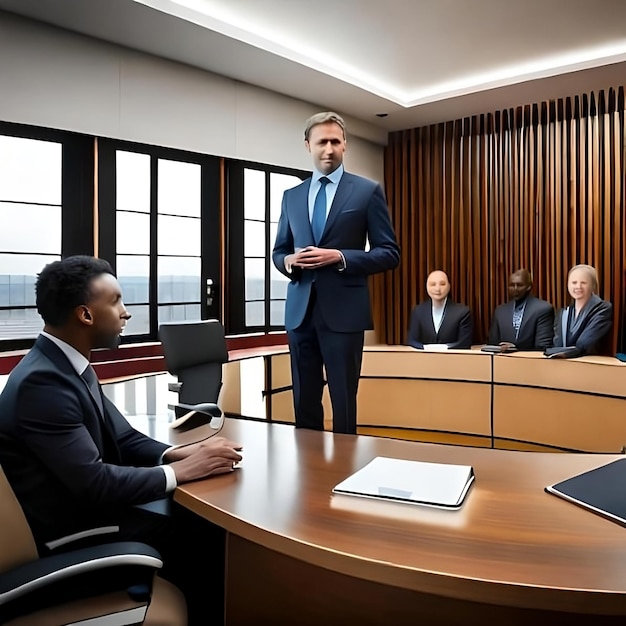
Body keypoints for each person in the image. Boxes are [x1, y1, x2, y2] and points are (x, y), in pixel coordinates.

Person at [0, 255, 243, 625]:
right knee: (205, 533)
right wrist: (185, 470)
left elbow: (123, 438)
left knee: (192, 519)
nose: (126, 313)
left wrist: (178, 452)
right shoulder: (43, 383)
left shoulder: (66, 364)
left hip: (87, 516)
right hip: (70, 536)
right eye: (115, 301)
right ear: (85, 315)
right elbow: (95, 484)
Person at [272, 111, 400, 435]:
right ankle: (308, 476)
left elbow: (390, 253)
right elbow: (278, 251)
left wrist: (340, 256)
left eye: (335, 141)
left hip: (344, 316)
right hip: (300, 315)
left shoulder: (367, 191)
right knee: (304, 402)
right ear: (307, 146)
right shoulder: (292, 196)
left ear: (345, 145)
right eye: (321, 142)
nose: (328, 149)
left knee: (343, 404)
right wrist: (288, 263)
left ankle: (344, 476)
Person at [550, 263, 613, 357]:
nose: (578, 286)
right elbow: (557, 344)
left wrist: (562, 352)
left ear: (593, 285)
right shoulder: (564, 312)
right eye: (574, 282)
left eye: (583, 283)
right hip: (563, 365)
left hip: (592, 364)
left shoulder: (603, 308)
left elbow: (585, 344)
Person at [488, 268, 554, 350]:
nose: (515, 289)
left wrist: (514, 348)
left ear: (528, 287)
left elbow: (543, 346)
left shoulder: (543, 309)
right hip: (502, 360)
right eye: (512, 285)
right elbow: (492, 344)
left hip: (532, 360)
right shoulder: (500, 311)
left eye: (519, 285)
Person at [406, 270, 472, 349]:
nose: (437, 289)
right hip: (423, 359)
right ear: (426, 286)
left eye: (442, 284)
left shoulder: (462, 312)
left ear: (449, 286)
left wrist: (443, 348)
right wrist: (427, 349)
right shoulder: (418, 311)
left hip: (454, 359)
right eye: (433, 284)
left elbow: (464, 343)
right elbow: (411, 341)